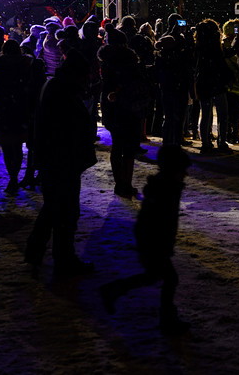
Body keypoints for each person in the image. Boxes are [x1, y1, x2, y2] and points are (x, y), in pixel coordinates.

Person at [100, 145, 192, 334]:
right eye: (182, 170)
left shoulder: (167, 187)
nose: (185, 174)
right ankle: (167, 319)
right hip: (154, 242)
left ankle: (115, 290)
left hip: (155, 241)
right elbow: (157, 220)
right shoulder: (165, 190)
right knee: (169, 279)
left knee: (155, 276)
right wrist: (160, 243)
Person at [24, 53, 98, 276]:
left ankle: (37, 252)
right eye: (86, 76)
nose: (88, 80)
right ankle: (63, 258)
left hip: (58, 159)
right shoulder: (62, 91)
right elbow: (66, 128)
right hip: (62, 160)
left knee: (54, 208)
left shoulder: (57, 86)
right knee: (64, 211)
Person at [98, 27, 150, 197]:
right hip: (129, 106)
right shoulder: (129, 59)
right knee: (128, 148)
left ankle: (119, 183)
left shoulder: (105, 60)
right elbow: (138, 82)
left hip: (111, 106)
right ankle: (126, 183)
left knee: (117, 145)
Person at [0, 39, 37, 194]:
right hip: (22, 109)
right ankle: (23, 174)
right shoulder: (27, 65)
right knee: (19, 145)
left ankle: (13, 177)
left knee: (7, 147)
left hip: (4, 110)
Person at [194, 20, 233, 154]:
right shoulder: (215, 46)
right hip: (217, 82)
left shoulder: (199, 46)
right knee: (223, 113)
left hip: (203, 82)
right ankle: (221, 142)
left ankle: (205, 142)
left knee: (206, 114)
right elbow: (221, 62)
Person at [155, 14, 194, 147]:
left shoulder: (164, 39)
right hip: (178, 82)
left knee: (169, 114)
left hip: (166, 83)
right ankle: (176, 139)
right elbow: (187, 58)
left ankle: (168, 140)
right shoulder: (176, 41)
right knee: (178, 113)